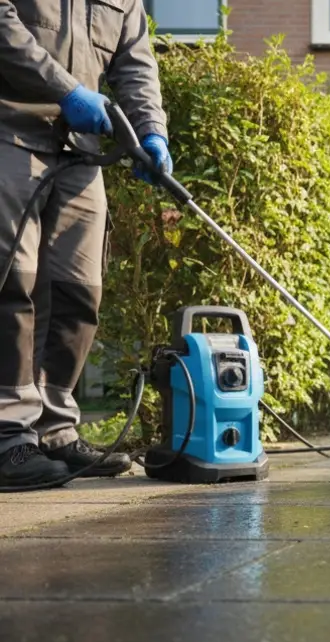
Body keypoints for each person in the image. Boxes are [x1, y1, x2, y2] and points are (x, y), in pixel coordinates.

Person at [0, 0, 172, 487]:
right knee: (14, 282)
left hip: (81, 151)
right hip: (10, 131)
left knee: (79, 288)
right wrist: (68, 91)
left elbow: (135, 63)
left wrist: (150, 132)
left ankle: (55, 427)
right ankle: (9, 434)